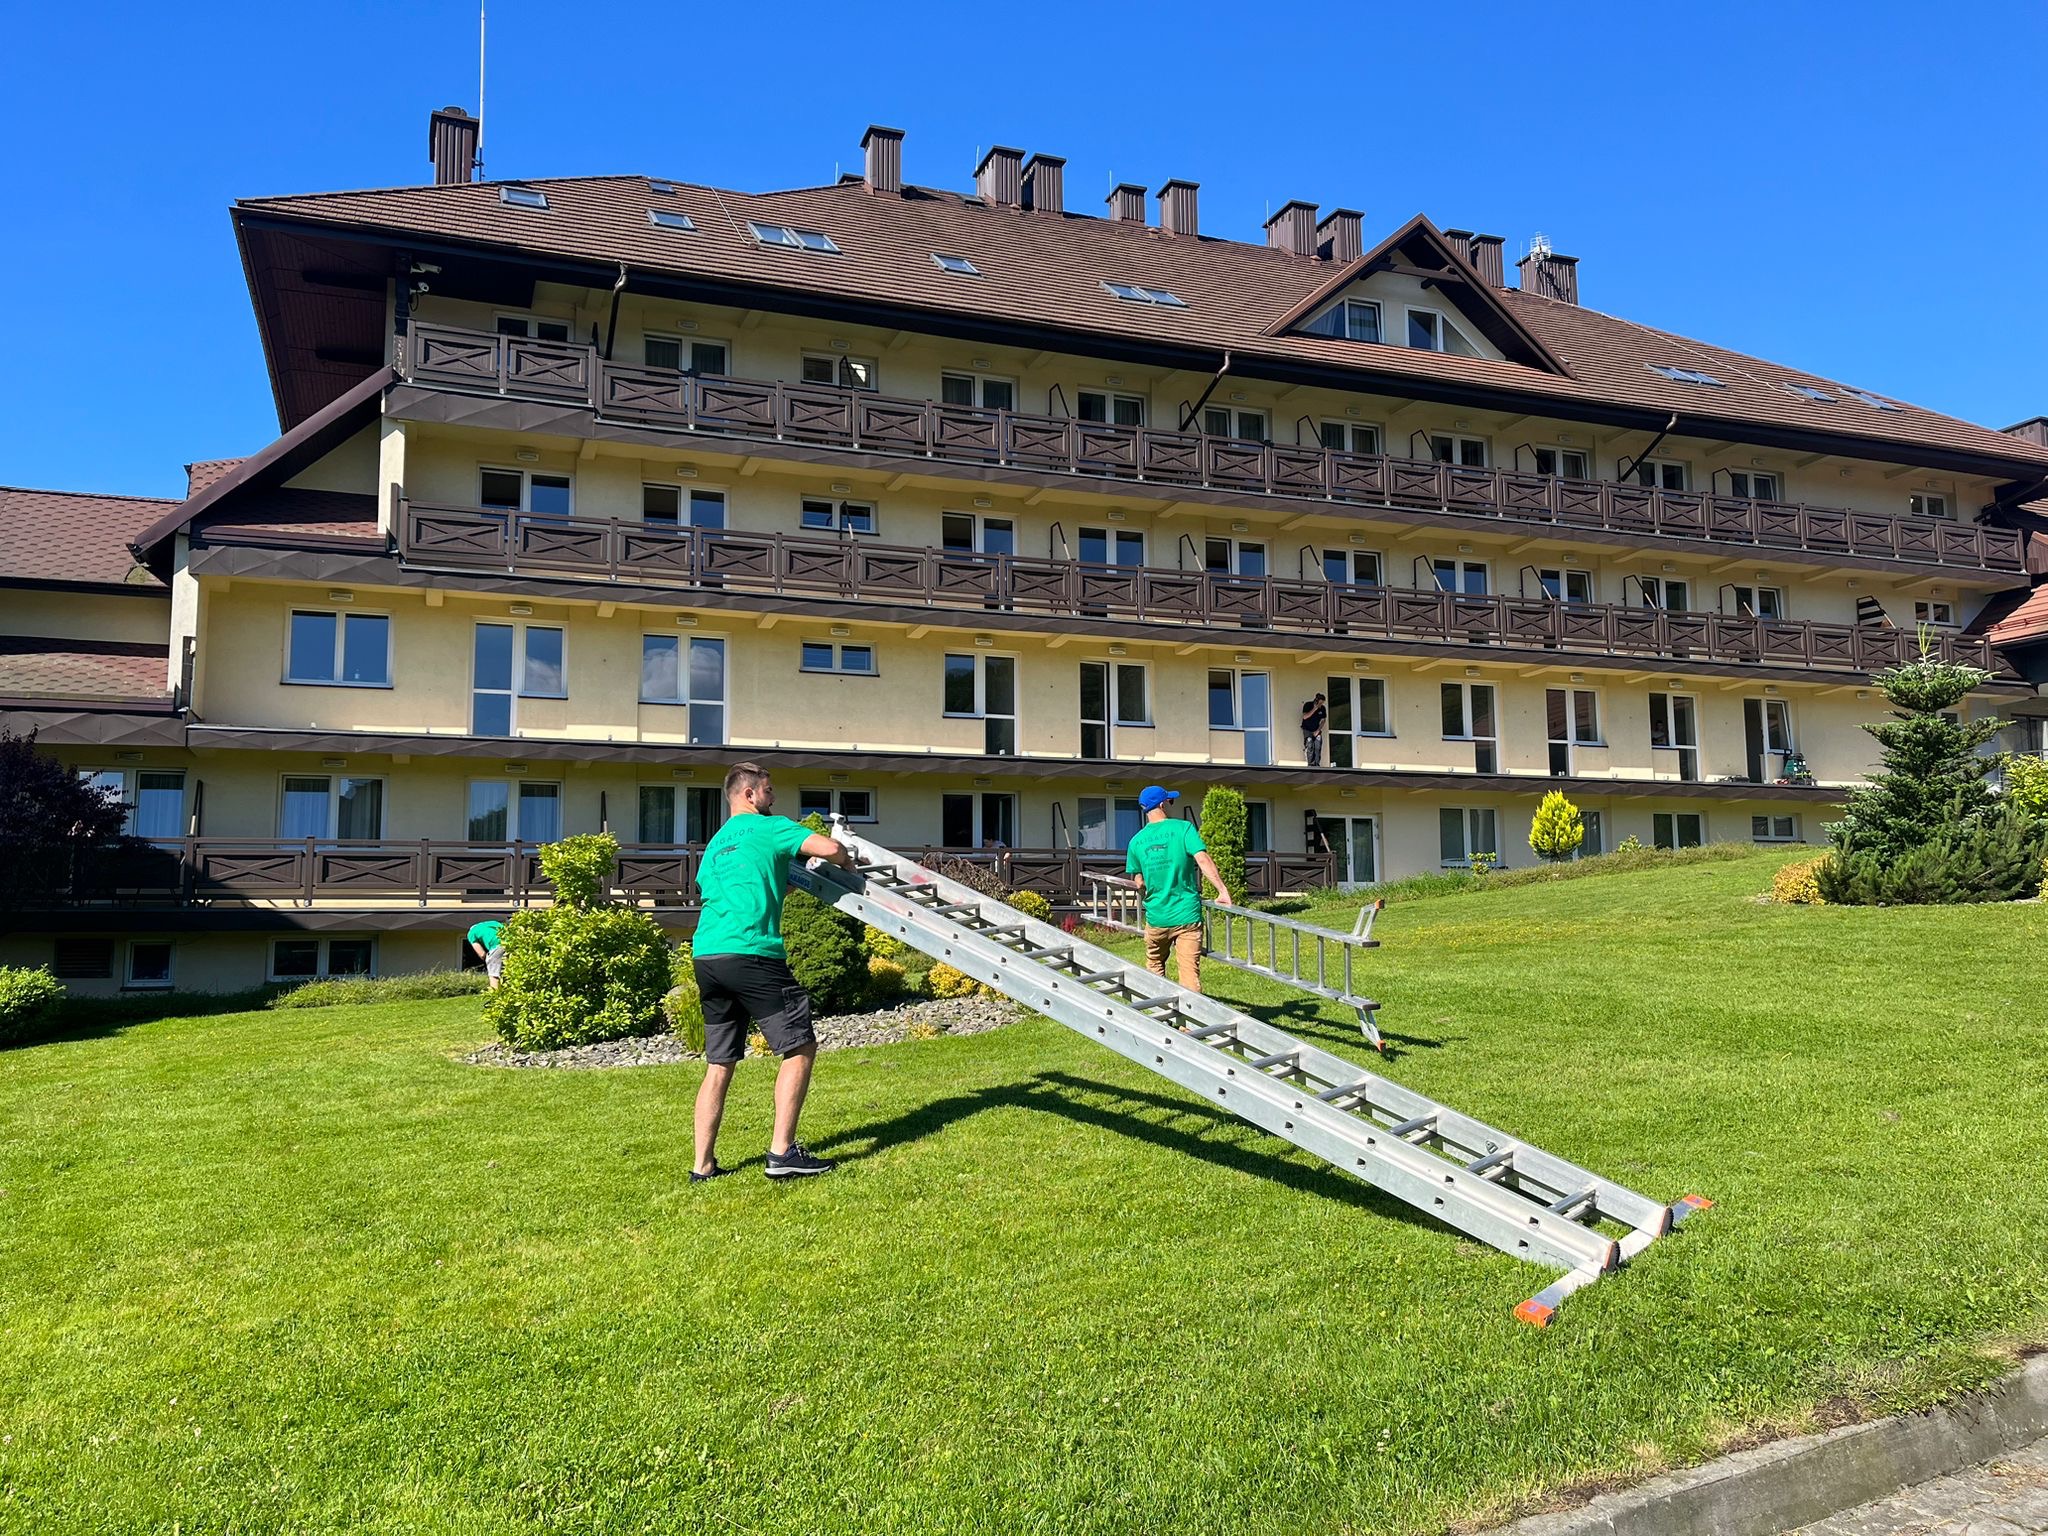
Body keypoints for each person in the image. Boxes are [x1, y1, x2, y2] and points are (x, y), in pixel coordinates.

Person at [690, 760, 857, 1183]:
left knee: (719, 1063)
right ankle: (782, 1154)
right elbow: (832, 850)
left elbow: (741, 885)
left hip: (708, 955)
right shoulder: (769, 827)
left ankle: (703, 1166)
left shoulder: (715, 846)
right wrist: (848, 864)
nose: (773, 797)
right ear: (748, 794)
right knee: (799, 1046)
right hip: (753, 953)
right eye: (768, 790)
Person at [1123, 786, 1233, 994]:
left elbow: (1138, 881)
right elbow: (1202, 859)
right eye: (1170, 802)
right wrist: (1222, 890)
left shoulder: (1135, 842)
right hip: (1186, 916)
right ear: (1163, 804)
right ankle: (1189, 1025)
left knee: (1155, 967)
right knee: (1189, 975)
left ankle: (1160, 1017)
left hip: (1156, 918)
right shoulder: (1183, 828)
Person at [466, 917, 507, 989]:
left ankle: (495, 997)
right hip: (511, 943)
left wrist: (487, 959)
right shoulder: (493, 923)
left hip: (497, 946)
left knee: (494, 974)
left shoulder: (471, 933)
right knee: (507, 972)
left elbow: (482, 954)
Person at [1301, 692, 1328, 767]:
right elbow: (1305, 717)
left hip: (1316, 729)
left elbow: (1323, 720)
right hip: (1307, 729)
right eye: (1320, 703)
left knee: (1318, 744)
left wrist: (1318, 730)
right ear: (1316, 701)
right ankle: (1311, 764)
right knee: (1309, 743)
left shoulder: (1322, 708)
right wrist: (1314, 709)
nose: (1321, 705)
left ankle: (1317, 764)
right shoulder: (1308, 705)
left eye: (1322, 703)